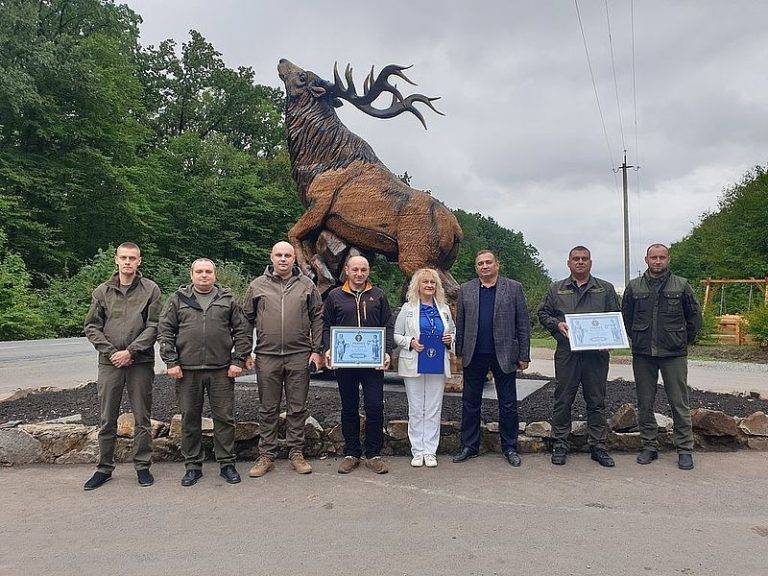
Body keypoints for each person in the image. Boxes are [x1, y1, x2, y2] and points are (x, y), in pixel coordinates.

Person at [158, 258, 251, 486]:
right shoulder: (177, 299)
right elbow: (165, 331)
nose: (204, 275)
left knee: (224, 419)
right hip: (187, 371)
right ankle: (192, 466)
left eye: (208, 271)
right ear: (191, 275)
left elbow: (242, 331)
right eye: (199, 271)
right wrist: (171, 362)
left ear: (214, 275)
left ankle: (227, 464)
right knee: (190, 419)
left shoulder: (227, 300)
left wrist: (238, 360)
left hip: (221, 370)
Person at [83, 242, 161, 490]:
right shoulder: (102, 291)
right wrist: (113, 352)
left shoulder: (151, 289)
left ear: (140, 261)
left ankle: (142, 467)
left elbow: (154, 325)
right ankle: (104, 468)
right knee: (107, 418)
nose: (128, 262)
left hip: (140, 362)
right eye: (123, 257)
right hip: (110, 363)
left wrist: (131, 351)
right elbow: (92, 327)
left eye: (132, 258)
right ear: (116, 260)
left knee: (142, 417)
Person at [242, 241, 324, 478]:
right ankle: (266, 455)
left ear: (293, 259)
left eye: (288, 255)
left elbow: (317, 317)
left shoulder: (307, 285)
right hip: (267, 355)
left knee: (297, 407)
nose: (283, 259)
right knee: (268, 407)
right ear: (271, 257)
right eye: (279, 255)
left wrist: (316, 350)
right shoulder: (257, 286)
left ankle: (296, 452)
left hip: (299, 354)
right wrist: (246, 351)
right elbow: (246, 319)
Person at [537, 246, 621, 467]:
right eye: (576, 259)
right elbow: (543, 314)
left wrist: (611, 341)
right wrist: (557, 324)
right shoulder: (556, 289)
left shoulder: (605, 289)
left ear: (591, 263)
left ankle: (598, 446)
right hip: (567, 353)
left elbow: (616, 318)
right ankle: (560, 444)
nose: (580, 262)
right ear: (569, 263)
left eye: (584, 259)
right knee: (563, 400)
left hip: (596, 356)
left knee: (596, 401)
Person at [621, 244, 702, 470]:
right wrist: (637, 338)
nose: (658, 261)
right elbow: (627, 316)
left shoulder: (682, 285)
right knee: (644, 402)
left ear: (668, 259)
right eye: (653, 257)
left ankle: (685, 450)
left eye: (662, 257)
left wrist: (683, 340)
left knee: (679, 402)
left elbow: (694, 316)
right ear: (646, 259)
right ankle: (649, 446)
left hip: (673, 353)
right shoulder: (634, 286)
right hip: (643, 354)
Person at [453, 250, 530, 467]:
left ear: (497, 265)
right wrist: (459, 353)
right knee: (470, 403)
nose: (484, 266)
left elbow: (523, 324)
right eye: (480, 263)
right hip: (474, 354)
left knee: (507, 404)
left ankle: (510, 447)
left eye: (488, 262)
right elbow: (461, 323)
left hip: (504, 354)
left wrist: (524, 355)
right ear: (476, 268)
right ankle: (469, 446)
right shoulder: (466, 289)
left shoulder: (513, 288)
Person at [323, 255, 394, 475]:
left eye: (363, 269)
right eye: (355, 269)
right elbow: (326, 326)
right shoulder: (335, 296)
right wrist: (328, 348)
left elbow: (388, 326)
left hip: (372, 364)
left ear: (368, 271)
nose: (359, 274)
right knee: (349, 407)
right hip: (345, 362)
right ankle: (351, 452)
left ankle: (373, 454)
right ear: (347, 271)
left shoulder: (378, 295)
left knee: (375, 406)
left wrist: (387, 351)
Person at [394, 268, 456, 468]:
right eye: (425, 282)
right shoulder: (408, 308)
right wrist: (410, 341)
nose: (429, 285)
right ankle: (417, 450)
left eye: (433, 283)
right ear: (417, 286)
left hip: (437, 362)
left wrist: (450, 340)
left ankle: (430, 451)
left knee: (433, 408)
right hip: (414, 362)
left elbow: (453, 333)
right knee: (416, 407)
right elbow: (396, 335)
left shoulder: (444, 310)